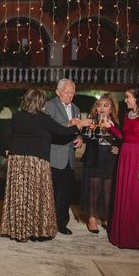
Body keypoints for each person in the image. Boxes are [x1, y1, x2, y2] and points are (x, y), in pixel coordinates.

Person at [1, 88, 85, 242]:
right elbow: (62, 132)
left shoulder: (17, 116)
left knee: (20, 197)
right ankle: (36, 231)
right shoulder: (43, 118)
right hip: (36, 163)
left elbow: (7, 135)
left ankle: (19, 230)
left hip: (17, 162)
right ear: (40, 102)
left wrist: (8, 150)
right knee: (37, 197)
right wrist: (80, 125)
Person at [102, 86, 139, 255]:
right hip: (126, 158)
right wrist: (111, 127)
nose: (125, 99)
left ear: (137, 98)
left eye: (128, 97)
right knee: (126, 196)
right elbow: (123, 137)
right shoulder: (127, 115)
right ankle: (125, 237)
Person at [44, 78, 82, 235]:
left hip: (69, 158)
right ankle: (48, 223)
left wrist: (80, 138)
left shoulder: (76, 108)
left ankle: (62, 224)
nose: (70, 96)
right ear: (57, 92)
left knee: (65, 193)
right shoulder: (50, 106)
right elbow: (48, 128)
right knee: (51, 192)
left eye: (72, 94)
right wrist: (68, 125)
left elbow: (77, 131)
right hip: (54, 156)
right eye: (67, 93)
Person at [80, 94, 119, 234]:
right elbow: (85, 138)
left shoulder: (116, 122)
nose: (102, 108)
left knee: (108, 191)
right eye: (99, 105)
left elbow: (123, 138)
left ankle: (107, 218)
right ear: (96, 108)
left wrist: (119, 148)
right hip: (94, 159)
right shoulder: (91, 121)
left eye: (106, 105)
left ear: (111, 109)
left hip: (110, 160)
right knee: (94, 190)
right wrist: (97, 126)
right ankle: (92, 218)